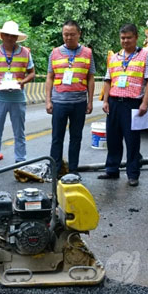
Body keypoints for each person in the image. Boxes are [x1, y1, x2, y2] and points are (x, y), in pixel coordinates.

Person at [99, 23, 148, 186]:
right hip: (114, 102)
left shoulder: (146, 55)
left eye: (129, 38)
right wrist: (105, 101)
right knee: (113, 139)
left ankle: (133, 174)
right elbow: (108, 80)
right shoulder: (115, 57)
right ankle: (112, 169)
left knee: (132, 141)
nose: (125, 41)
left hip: (133, 104)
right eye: (123, 38)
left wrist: (145, 103)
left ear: (136, 37)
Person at [0, 21, 36, 171]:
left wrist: (23, 81)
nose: (10, 38)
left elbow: (32, 73)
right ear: (2, 36)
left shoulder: (25, 52)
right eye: (7, 35)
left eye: (13, 36)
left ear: (17, 37)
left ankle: (20, 161)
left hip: (17, 96)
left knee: (19, 131)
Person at [45, 20, 95, 178]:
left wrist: (90, 101)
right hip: (59, 102)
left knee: (76, 137)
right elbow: (49, 78)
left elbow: (91, 78)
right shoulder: (54, 53)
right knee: (56, 138)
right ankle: (55, 170)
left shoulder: (87, 53)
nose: (68, 37)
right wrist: (48, 100)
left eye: (72, 34)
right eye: (65, 34)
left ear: (79, 34)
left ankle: (73, 170)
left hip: (79, 102)